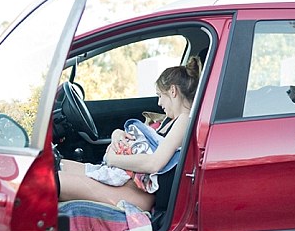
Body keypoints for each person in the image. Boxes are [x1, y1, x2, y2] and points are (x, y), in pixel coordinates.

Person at [57, 56, 201, 212]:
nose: (159, 104)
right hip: (124, 181)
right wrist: (117, 134)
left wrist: (113, 159)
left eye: (160, 96)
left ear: (173, 91)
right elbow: (145, 144)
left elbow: (154, 163)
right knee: (58, 165)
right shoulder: (169, 121)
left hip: (137, 193)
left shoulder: (185, 120)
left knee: (55, 181)